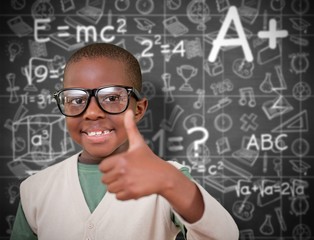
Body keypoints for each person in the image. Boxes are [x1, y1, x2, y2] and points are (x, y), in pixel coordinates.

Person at [10, 43, 239, 240]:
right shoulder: (36, 188)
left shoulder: (167, 179)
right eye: (76, 99)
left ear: (138, 109)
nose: (91, 113)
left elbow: (223, 235)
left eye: (111, 98)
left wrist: (173, 182)